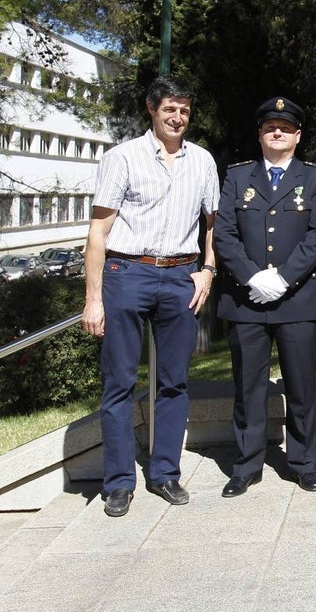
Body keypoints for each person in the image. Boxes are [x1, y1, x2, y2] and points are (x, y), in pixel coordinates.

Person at [81, 76, 220, 517]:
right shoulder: (122, 158)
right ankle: (119, 482)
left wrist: (207, 271)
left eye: (184, 110)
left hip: (180, 276)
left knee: (174, 382)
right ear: (151, 109)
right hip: (127, 273)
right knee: (120, 382)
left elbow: (211, 224)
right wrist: (93, 299)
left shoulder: (202, 161)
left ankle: (165, 474)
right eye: (169, 109)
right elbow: (98, 233)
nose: (177, 117)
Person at [214, 97, 316, 497]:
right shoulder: (237, 177)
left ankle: (302, 463)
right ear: (259, 134)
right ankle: (246, 465)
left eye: (285, 127)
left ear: (297, 136)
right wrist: (252, 277)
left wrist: (283, 277)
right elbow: (223, 234)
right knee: (248, 388)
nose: (277, 132)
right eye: (269, 127)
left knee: (301, 387)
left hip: (296, 299)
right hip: (247, 300)